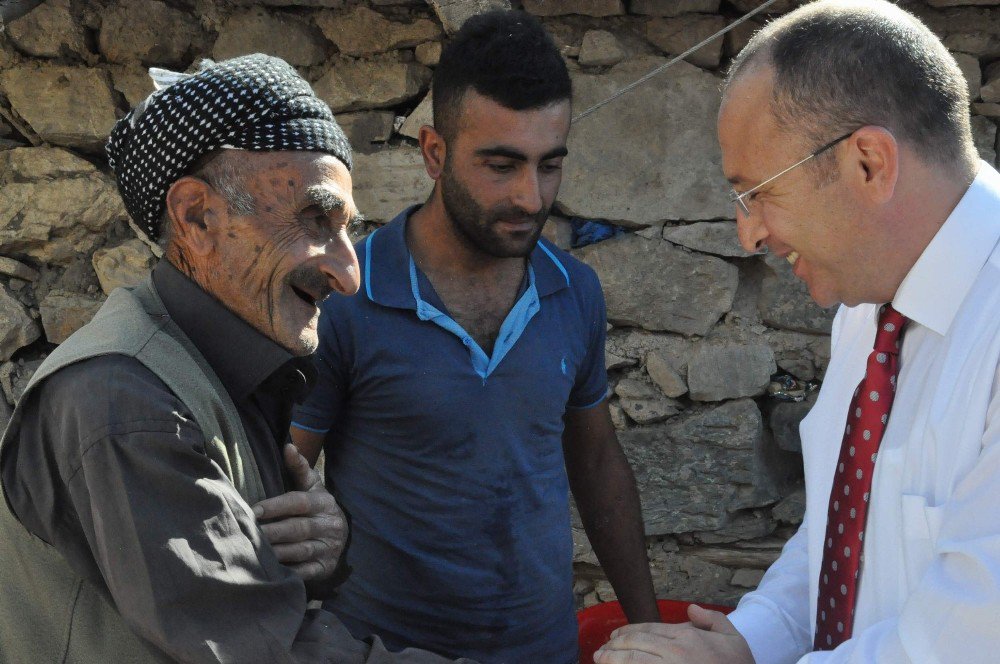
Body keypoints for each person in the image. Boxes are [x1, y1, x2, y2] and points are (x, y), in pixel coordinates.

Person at [0, 54, 473, 663]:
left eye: (348, 229)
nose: (349, 273)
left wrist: (320, 552)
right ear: (196, 216)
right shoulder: (124, 402)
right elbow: (264, 648)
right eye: (313, 220)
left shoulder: (223, 364)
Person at [595, 1, 1000, 662]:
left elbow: (969, 641)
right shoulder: (866, 316)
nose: (748, 233)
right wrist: (750, 640)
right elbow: (843, 532)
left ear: (868, 163)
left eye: (759, 192)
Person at [290, 10, 659, 663]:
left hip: (541, 651)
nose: (529, 195)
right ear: (435, 153)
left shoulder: (574, 292)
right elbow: (279, 477)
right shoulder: (348, 298)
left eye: (550, 165)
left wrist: (654, 631)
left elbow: (598, 465)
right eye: (501, 165)